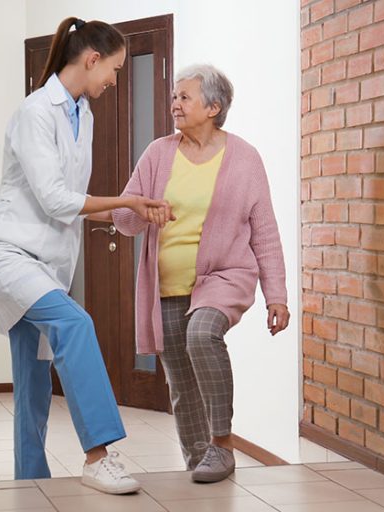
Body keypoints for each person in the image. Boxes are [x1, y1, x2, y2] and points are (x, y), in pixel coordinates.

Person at [0, 17, 171, 494]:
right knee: (76, 323)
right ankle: (98, 455)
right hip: (7, 253)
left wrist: (125, 211)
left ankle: (30, 486)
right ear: (92, 59)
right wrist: (124, 200)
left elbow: (70, 205)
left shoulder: (85, 115)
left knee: (33, 381)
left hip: (47, 261)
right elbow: (57, 200)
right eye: (115, 70)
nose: (114, 80)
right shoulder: (36, 112)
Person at [112, 64, 290, 483]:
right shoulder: (158, 153)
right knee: (179, 376)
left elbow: (264, 231)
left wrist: (276, 295)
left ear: (213, 106)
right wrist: (140, 208)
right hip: (168, 284)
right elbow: (124, 217)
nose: (175, 103)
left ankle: (222, 443)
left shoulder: (244, 158)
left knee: (201, 335)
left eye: (184, 97)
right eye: (174, 96)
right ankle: (199, 462)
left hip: (225, 276)